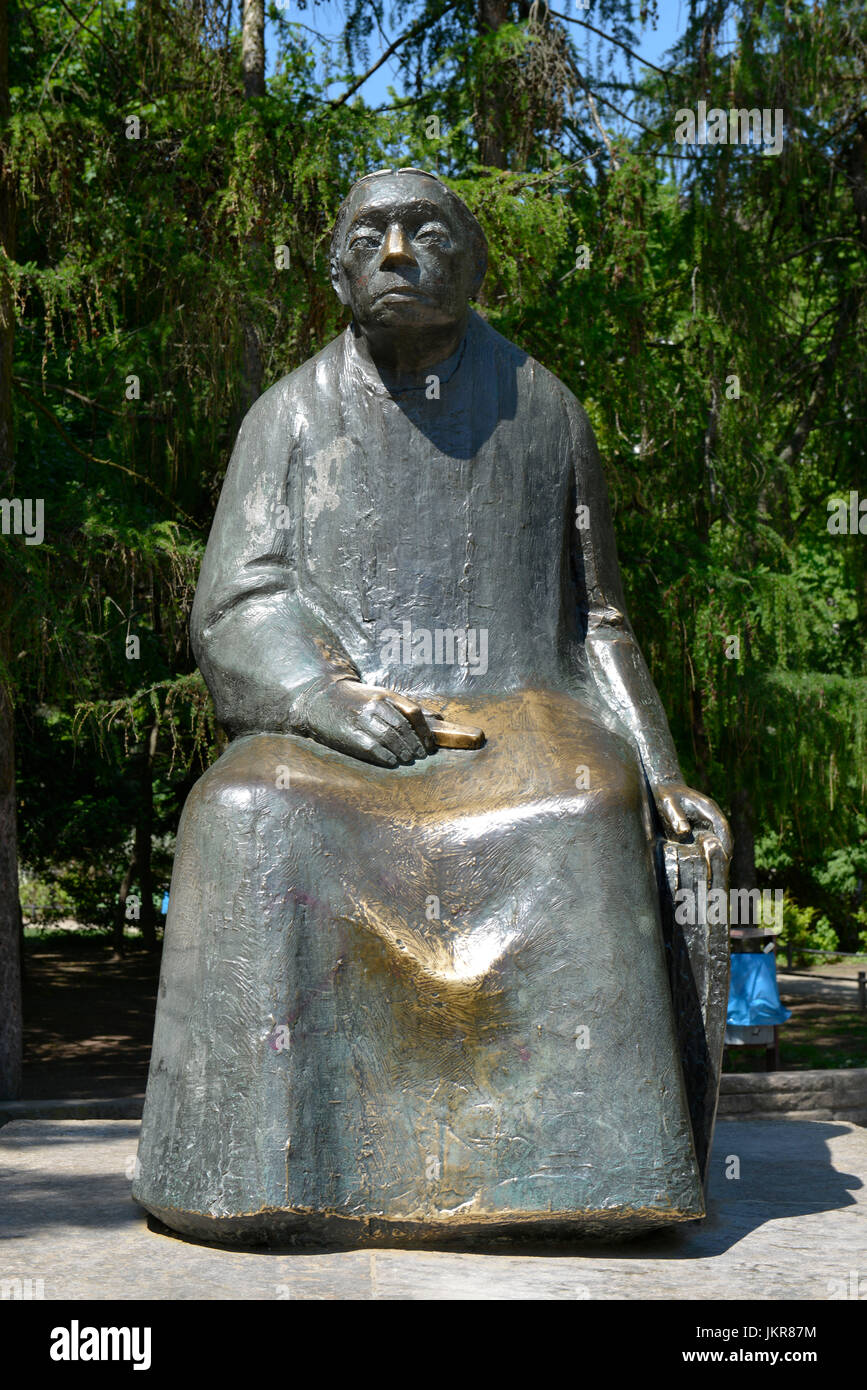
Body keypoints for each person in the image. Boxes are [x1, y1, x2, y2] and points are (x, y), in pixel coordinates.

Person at [133, 168, 731, 1245]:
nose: (399, 253)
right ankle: (263, 1174)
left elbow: (598, 622)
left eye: (427, 233)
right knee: (243, 809)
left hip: (527, 720)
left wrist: (664, 768)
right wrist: (322, 698)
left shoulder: (544, 410)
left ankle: (586, 1178)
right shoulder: (287, 419)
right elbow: (238, 603)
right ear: (336, 270)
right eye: (372, 235)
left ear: (474, 262)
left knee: (593, 802)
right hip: (337, 727)